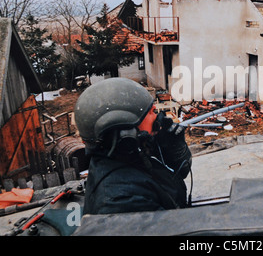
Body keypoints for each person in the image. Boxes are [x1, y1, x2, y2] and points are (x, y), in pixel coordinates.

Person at [74, 78, 192, 215]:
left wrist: (174, 149)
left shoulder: (129, 154)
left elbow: (179, 174)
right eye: (148, 111)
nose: (156, 111)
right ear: (125, 132)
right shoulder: (123, 202)